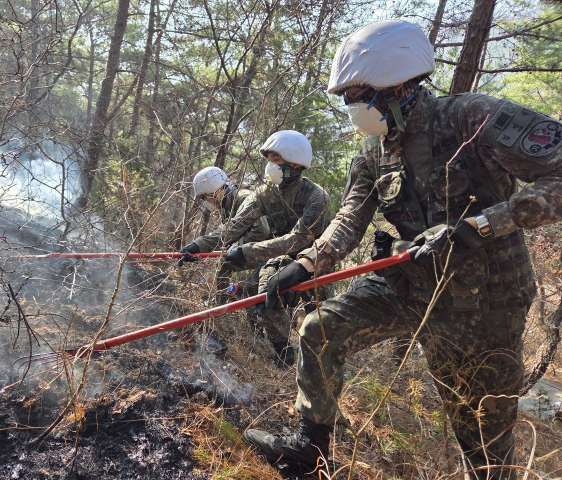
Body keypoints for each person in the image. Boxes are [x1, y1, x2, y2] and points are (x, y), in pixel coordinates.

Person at [243, 19, 561, 479]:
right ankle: (309, 450)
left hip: (486, 303)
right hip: (409, 284)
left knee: (481, 434)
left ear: (396, 85)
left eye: (353, 96)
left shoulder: (473, 118)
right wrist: (307, 264)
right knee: (320, 330)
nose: (350, 109)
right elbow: (352, 214)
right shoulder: (374, 151)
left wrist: (482, 226)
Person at [202, 130, 331, 365]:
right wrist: (196, 247)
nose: (270, 166)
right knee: (268, 290)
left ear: (295, 163)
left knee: (319, 318)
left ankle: (323, 358)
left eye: (277, 160)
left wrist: (248, 251)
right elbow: (235, 226)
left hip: (316, 260)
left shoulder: (317, 196)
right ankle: (284, 354)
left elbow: (299, 239)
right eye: (269, 160)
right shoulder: (265, 194)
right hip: (280, 257)